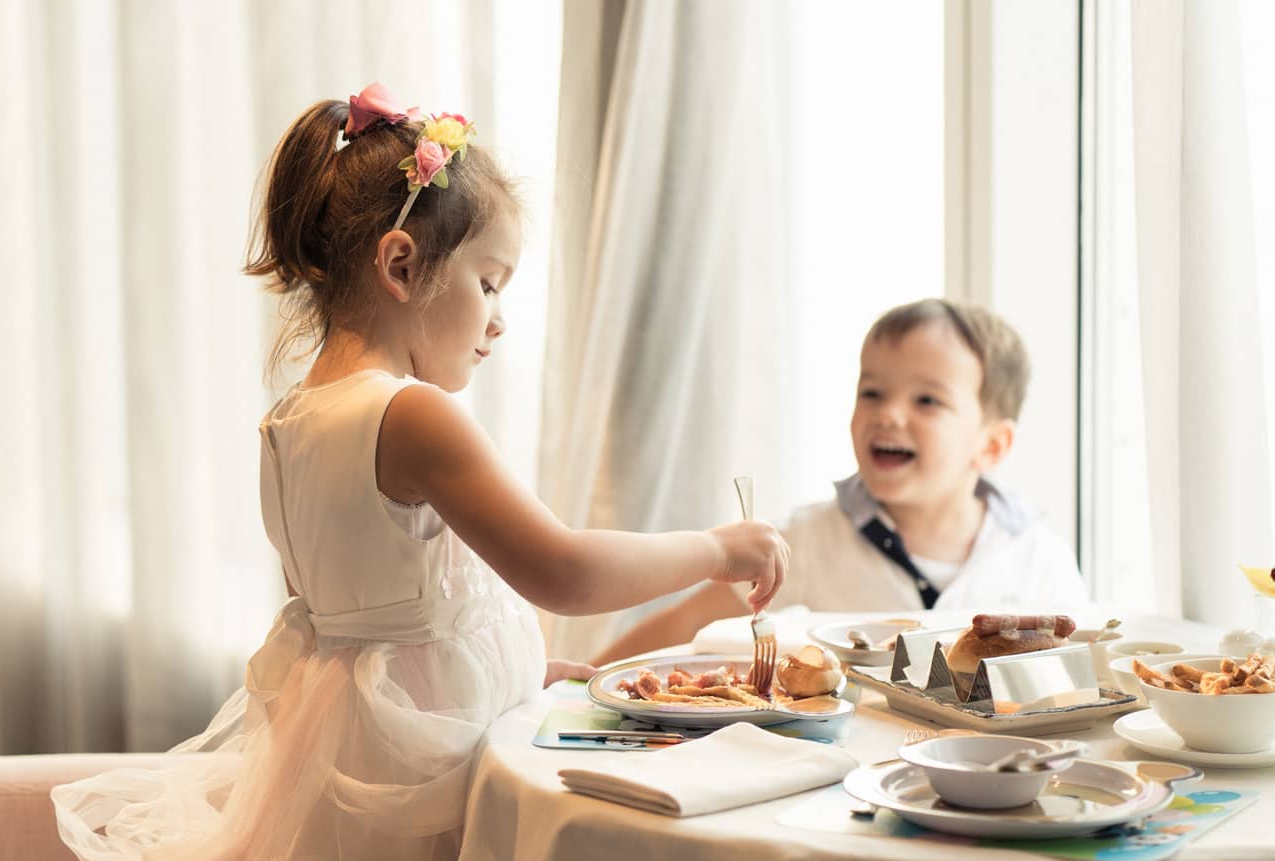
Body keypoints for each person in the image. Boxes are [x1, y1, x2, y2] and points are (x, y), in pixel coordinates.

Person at [50, 83, 788, 860]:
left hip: (347, 766)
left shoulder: (288, 423)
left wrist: (515, 677)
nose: (499, 318)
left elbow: (376, 630)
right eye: (489, 282)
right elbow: (563, 571)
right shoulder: (409, 415)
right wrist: (718, 549)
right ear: (401, 266)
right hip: (420, 782)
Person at [593, 298, 1086, 666]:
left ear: (992, 445)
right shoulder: (813, 537)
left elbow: (1079, 669)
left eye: (927, 401)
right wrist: (583, 679)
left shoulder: (1037, 557)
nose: (888, 415)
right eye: (871, 392)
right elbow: (690, 620)